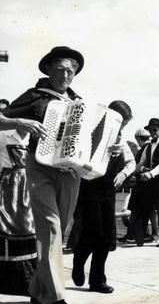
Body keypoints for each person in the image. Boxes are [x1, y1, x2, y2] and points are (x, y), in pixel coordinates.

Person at [0, 46, 87, 304]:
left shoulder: (78, 102)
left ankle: (39, 293)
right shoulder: (35, 95)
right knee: (50, 228)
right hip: (39, 167)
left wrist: (111, 148)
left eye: (71, 71)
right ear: (48, 70)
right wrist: (20, 122)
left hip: (71, 172)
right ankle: (55, 297)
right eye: (60, 69)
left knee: (58, 231)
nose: (66, 75)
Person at [71, 101, 135, 294]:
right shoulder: (90, 129)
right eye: (121, 122)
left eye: (124, 124)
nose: (122, 127)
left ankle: (97, 281)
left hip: (108, 189)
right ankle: (78, 262)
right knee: (93, 233)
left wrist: (123, 173)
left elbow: (131, 162)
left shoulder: (121, 139)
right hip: (88, 187)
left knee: (107, 238)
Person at [0, 128, 36, 296]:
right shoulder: (3, 135)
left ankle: (31, 278)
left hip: (31, 184)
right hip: (9, 185)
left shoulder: (34, 137)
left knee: (30, 227)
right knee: (10, 226)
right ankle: (11, 281)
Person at [135, 118, 159, 247]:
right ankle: (139, 239)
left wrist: (151, 173)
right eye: (150, 130)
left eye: (155, 130)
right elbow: (141, 162)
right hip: (150, 180)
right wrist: (141, 169)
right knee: (144, 207)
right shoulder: (148, 145)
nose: (152, 132)